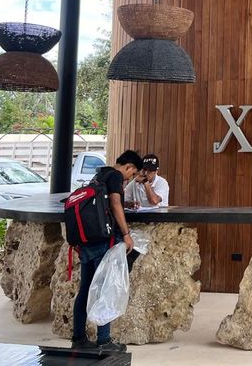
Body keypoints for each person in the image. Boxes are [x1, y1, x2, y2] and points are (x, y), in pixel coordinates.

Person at [72, 149, 143, 352]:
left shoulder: (100, 175)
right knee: (105, 289)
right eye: (132, 173)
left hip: (87, 241)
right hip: (103, 243)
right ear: (128, 167)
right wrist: (126, 233)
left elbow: (104, 202)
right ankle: (104, 340)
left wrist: (126, 203)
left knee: (85, 289)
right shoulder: (116, 176)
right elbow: (114, 202)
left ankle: (79, 337)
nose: (129, 178)